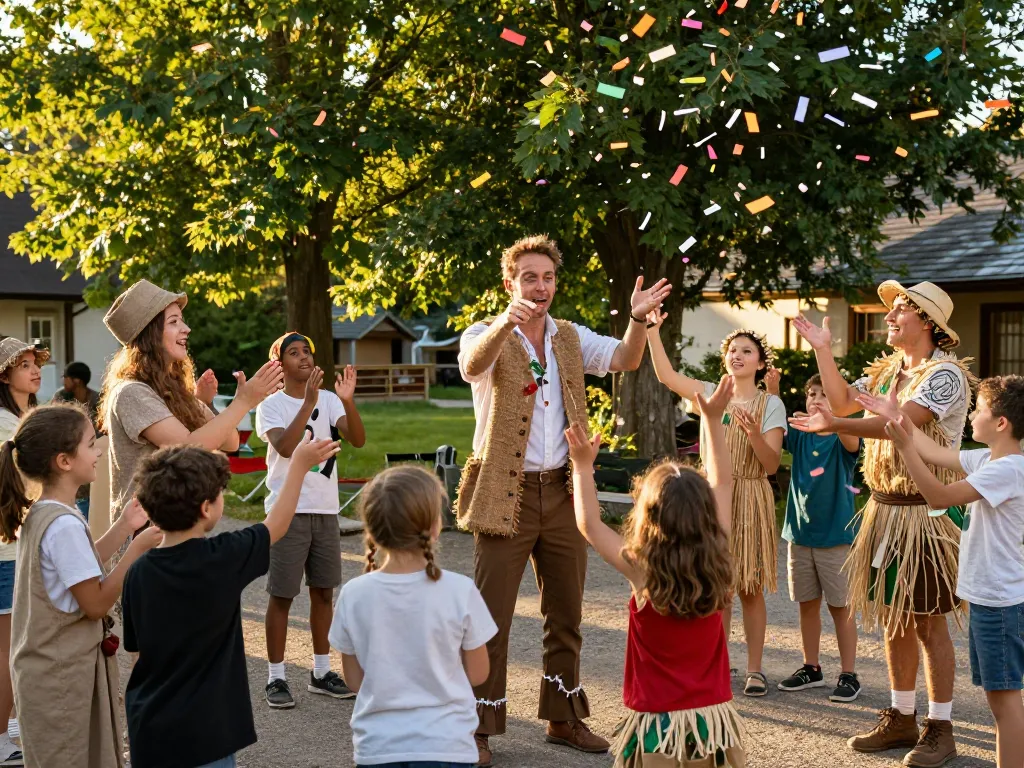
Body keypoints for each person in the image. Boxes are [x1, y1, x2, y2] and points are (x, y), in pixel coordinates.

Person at [456, 234, 672, 765]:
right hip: (504, 493)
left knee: (566, 611)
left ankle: (563, 716)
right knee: (491, 618)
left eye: (548, 277)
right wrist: (507, 321)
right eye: (530, 277)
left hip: (563, 489)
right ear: (510, 283)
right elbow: (471, 367)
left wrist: (639, 320)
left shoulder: (569, 337)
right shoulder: (484, 332)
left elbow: (624, 358)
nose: (540, 286)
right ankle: (478, 725)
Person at [791, 281, 975, 767]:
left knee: (928, 623)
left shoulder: (946, 375)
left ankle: (941, 727)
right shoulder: (892, 369)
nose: (890, 317)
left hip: (926, 514)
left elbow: (897, 424)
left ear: (929, 324)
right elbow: (844, 401)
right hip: (885, 509)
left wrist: (835, 425)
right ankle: (901, 715)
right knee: (894, 619)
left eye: (900, 311)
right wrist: (824, 351)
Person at [121, 436, 340, 768]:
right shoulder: (222, 557)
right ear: (206, 508)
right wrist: (297, 466)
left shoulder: (137, 573)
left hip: (150, 728)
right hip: (207, 733)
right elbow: (276, 525)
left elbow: (138, 655)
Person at [564, 376, 747, 767]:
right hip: (709, 721)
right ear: (705, 517)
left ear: (649, 517)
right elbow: (724, 483)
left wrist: (582, 467)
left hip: (656, 727)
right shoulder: (718, 557)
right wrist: (713, 422)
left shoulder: (642, 570)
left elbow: (590, 525)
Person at [871, 376, 1024, 768]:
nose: (973, 415)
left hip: (1001, 605)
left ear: (1002, 423)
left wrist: (905, 450)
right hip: (992, 600)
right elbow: (934, 452)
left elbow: (937, 495)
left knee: (1005, 703)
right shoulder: (989, 459)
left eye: (981, 409)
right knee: (999, 698)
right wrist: (897, 417)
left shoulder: (1007, 470)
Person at [0, 404, 162, 768]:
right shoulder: (64, 526)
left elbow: (81, 567)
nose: (99, 451)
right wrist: (135, 549)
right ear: (64, 461)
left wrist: (122, 526)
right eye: (91, 444)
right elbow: (95, 603)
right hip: (60, 680)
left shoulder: (46, 512)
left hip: (47, 673)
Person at [647, 319, 786, 697]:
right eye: (732, 350)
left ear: (760, 363)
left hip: (752, 496)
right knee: (716, 587)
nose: (737, 355)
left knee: (750, 588)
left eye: (746, 351)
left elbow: (771, 466)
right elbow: (666, 374)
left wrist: (754, 432)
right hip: (711, 496)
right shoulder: (709, 392)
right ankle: (716, 664)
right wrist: (651, 330)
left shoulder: (771, 404)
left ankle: (755, 670)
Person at [329, 465, 497, 768]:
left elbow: (354, 680)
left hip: (378, 746)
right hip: (447, 745)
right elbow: (478, 674)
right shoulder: (460, 590)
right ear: (434, 527)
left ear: (372, 532)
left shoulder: (353, 594)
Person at [98, 279, 285, 537]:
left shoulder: (173, 389)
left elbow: (230, 442)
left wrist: (203, 404)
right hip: (143, 533)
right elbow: (188, 446)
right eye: (174, 322)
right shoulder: (131, 392)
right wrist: (244, 401)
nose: (186, 329)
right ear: (149, 333)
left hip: (175, 527)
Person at [255, 332, 366, 709]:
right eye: (293, 352)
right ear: (279, 363)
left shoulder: (332, 399)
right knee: (282, 595)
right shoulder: (270, 406)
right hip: (287, 513)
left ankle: (320, 672)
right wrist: (310, 403)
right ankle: (276, 678)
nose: (303, 357)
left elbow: (359, 439)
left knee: (323, 593)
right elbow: (285, 447)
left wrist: (347, 402)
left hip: (324, 510)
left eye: (307, 351)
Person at [773, 374, 861, 702]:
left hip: (835, 537)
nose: (815, 399)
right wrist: (774, 390)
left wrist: (837, 415)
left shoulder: (844, 434)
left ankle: (849, 673)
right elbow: (777, 424)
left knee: (841, 607)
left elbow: (851, 440)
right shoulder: (800, 435)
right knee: (807, 605)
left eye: (824, 394)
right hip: (799, 535)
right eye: (812, 394)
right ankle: (811, 667)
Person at [0, 337, 48, 766]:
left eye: (36, 363)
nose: (35, 371)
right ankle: (0, 738)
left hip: (21, 543)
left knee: (15, 643)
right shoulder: (3, 422)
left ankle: (10, 724)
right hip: (7, 549)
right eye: (24, 365)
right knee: (9, 646)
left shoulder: (25, 416)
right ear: (4, 374)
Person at [52, 362, 101, 521]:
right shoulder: (61, 398)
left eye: (65, 377)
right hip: (68, 455)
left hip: (94, 457)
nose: (63, 381)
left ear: (77, 381)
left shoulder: (98, 400)